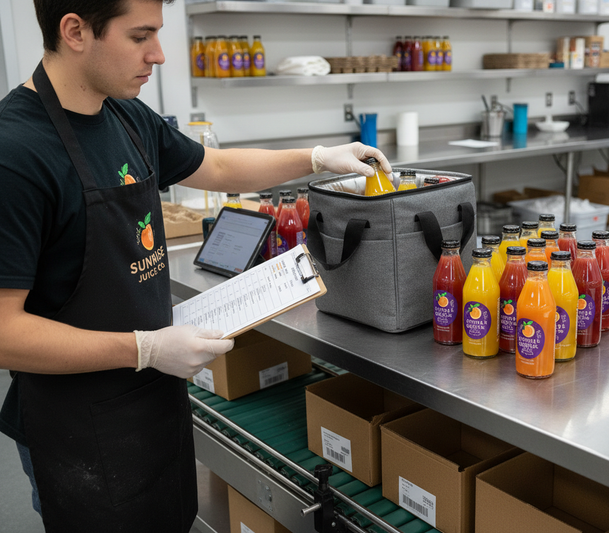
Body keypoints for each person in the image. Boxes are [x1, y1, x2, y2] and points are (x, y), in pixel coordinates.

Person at [0, 0, 393, 531]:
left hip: (150, 402)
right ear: (74, 31)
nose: (158, 55)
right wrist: (144, 347)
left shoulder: (125, 114)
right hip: (77, 426)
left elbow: (219, 165)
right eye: (140, 36)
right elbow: (4, 333)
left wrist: (318, 157)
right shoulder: (16, 153)